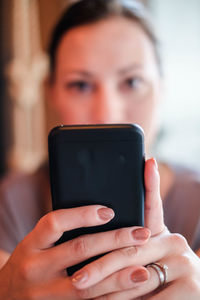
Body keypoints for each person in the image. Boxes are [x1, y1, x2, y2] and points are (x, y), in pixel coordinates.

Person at [0, 0, 200, 299]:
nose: (107, 112)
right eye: (80, 85)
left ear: (162, 88)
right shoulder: (9, 202)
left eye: (132, 81)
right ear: (50, 92)